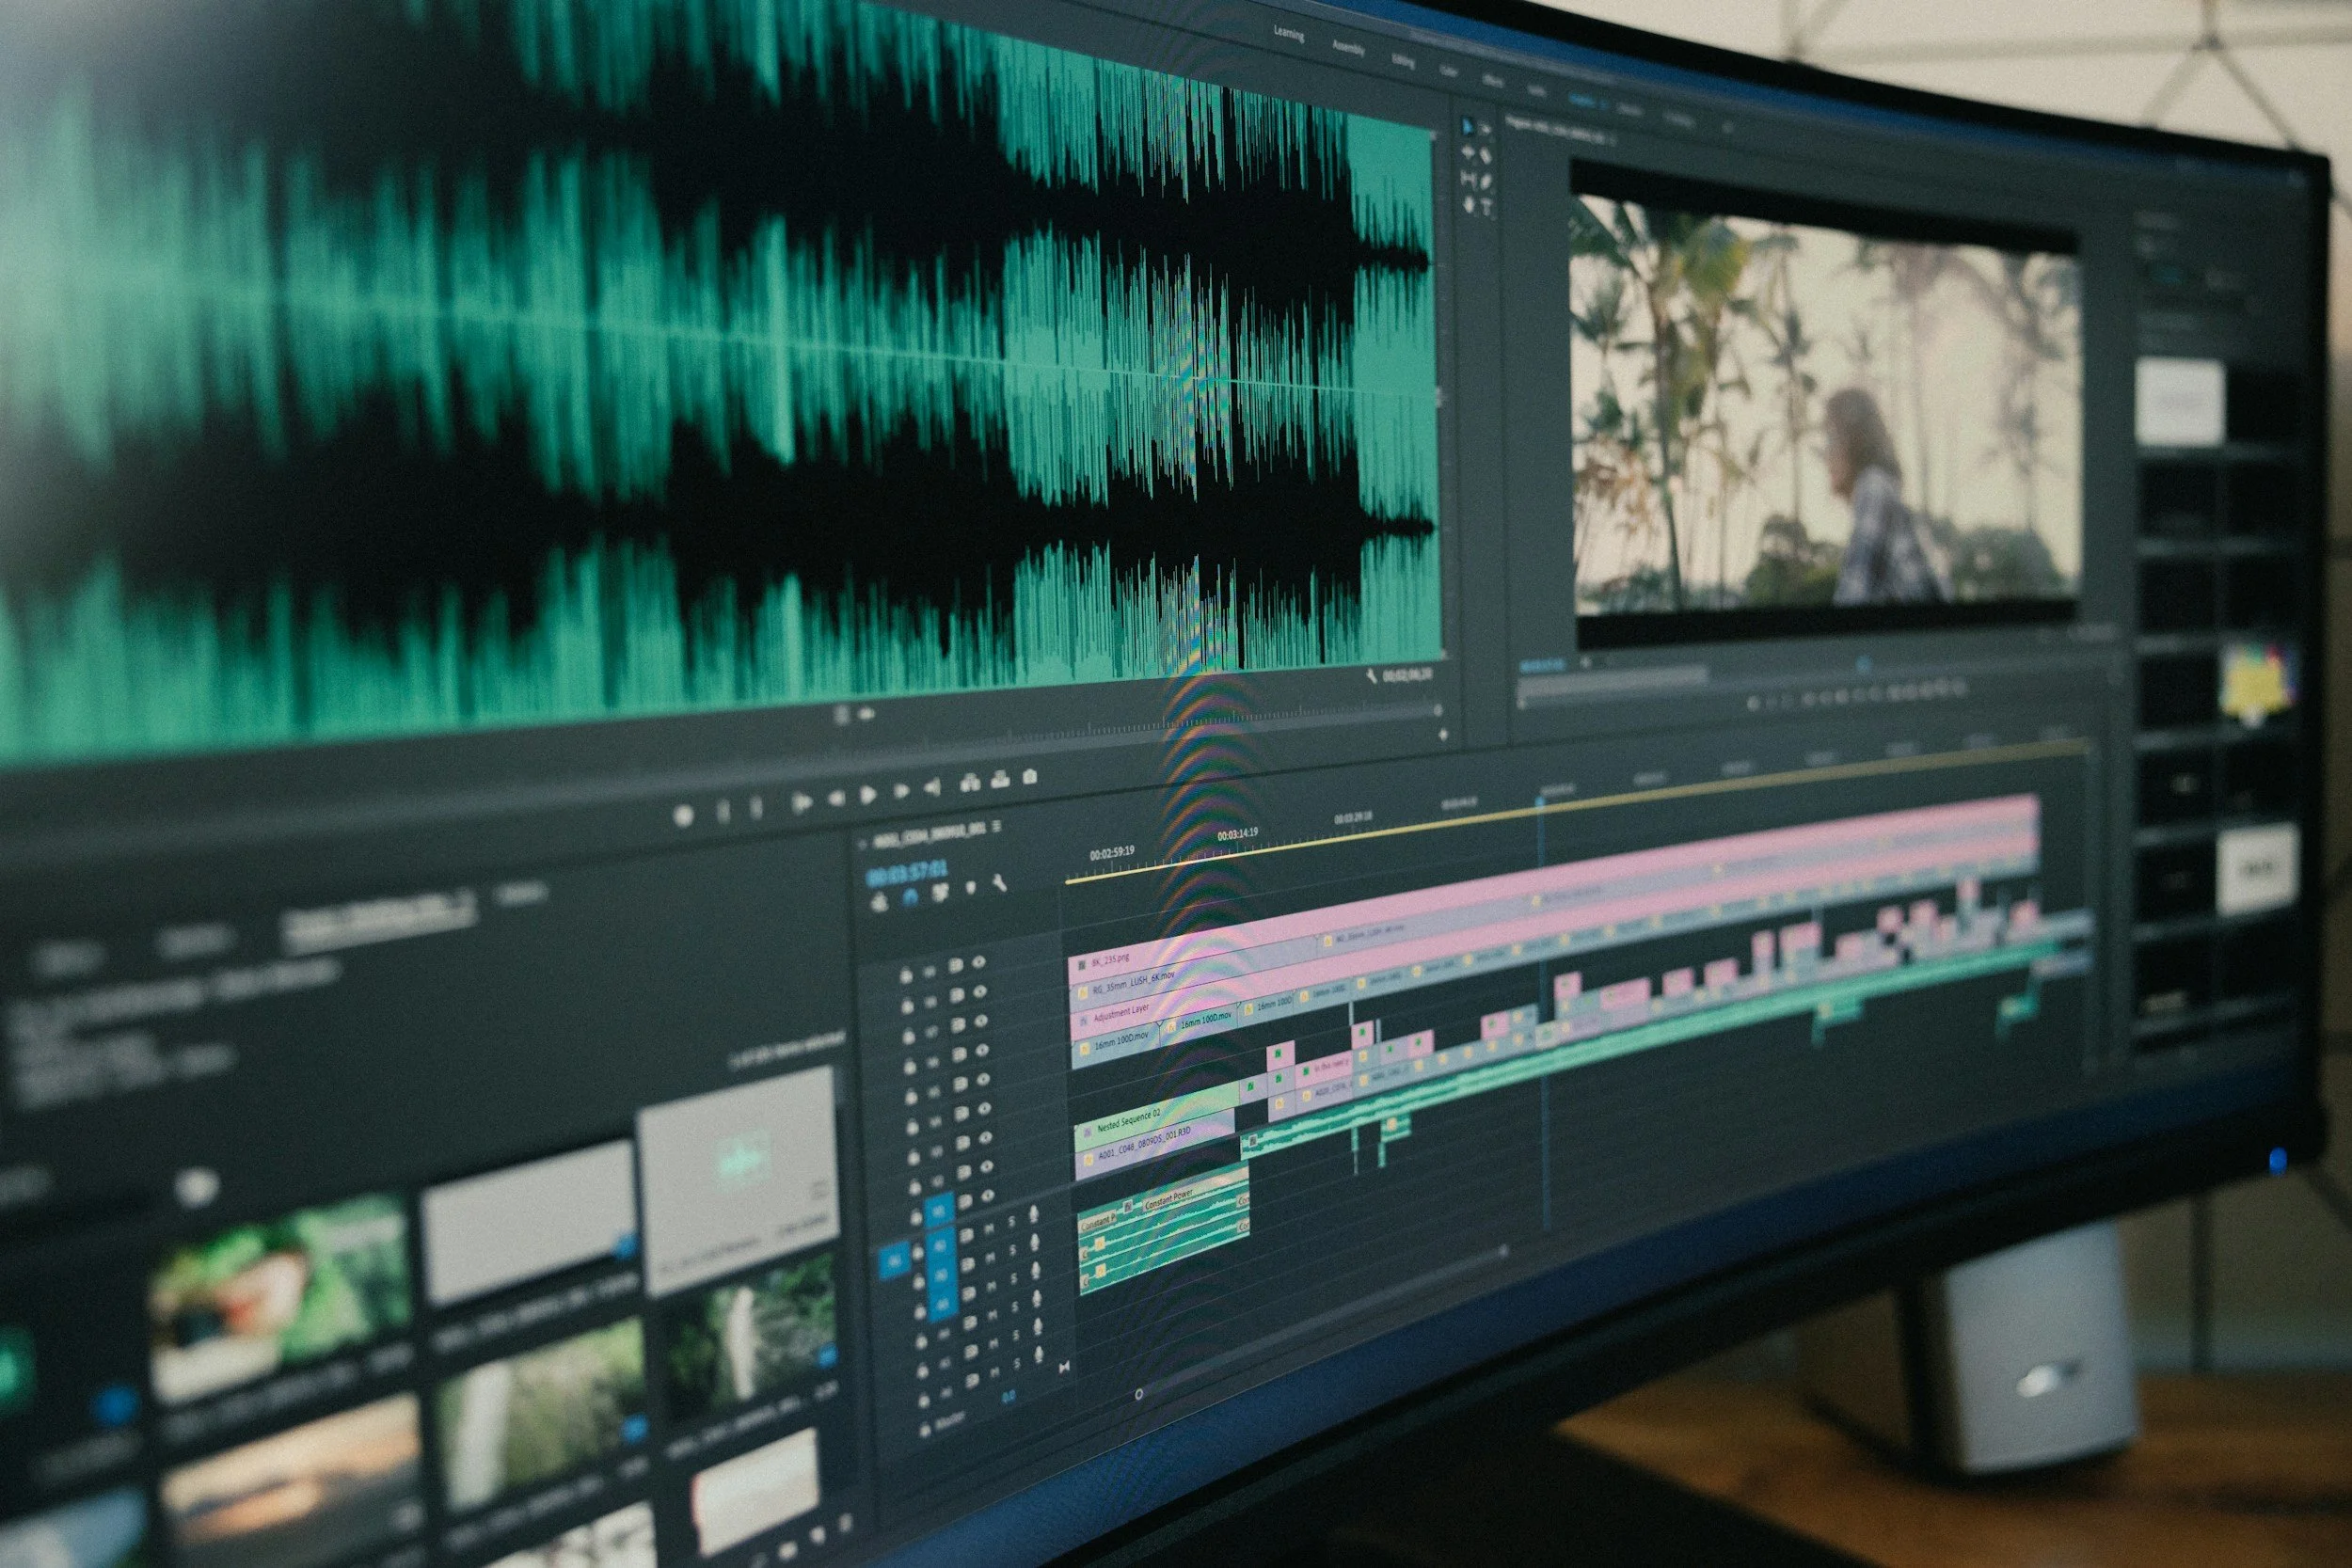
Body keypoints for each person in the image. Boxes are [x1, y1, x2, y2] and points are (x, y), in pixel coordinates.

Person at [1824, 387, 1949, 605]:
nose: (1826, 452)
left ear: (1856, 440)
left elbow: (1852, 600)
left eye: (1833, 437)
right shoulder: (1880, 487)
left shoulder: (1874, 487)